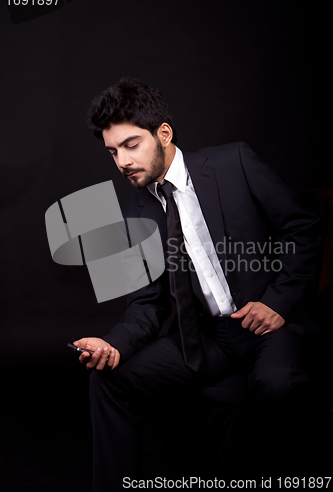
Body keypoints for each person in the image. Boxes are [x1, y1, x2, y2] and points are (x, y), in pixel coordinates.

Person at [74, 79, 322, 490]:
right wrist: (113, 344)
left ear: (164, 134)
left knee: (277, 385)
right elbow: (148, 303)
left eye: (131, 145)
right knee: (107, 378)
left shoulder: (234, 162)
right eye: (113, 151)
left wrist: (277, 302)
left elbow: (303, 228)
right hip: (206, 339)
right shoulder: (133, 208)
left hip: (270, 324)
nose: (122, 161)